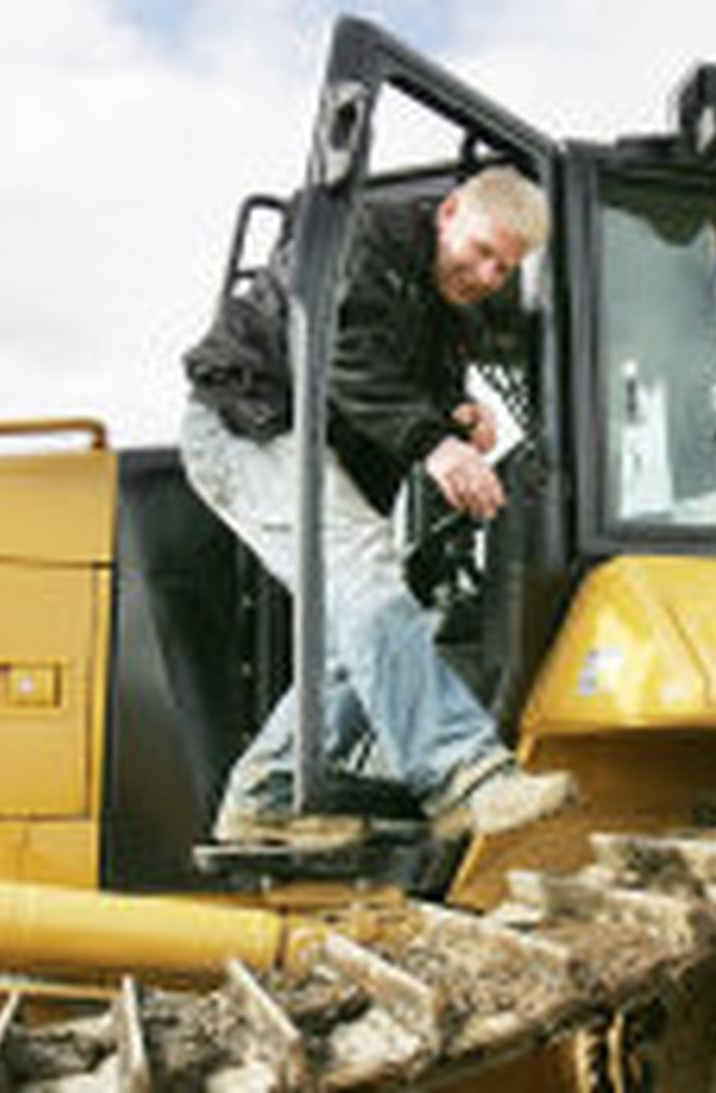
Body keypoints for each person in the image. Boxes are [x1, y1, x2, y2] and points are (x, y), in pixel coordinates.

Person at [180, 166, 575, 843]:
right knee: (368, 575)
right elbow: (340, 353)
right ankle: (467, 777)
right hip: (250, 427)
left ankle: (263, 802)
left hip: (311, 448)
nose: (486, 277)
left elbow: (416, 387)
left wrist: (458, 415)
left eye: (505, 269)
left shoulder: (450, 308)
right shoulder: (358, 238)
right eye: (482, 252)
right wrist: (436, 445)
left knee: (358, 629)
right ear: (449, 212)